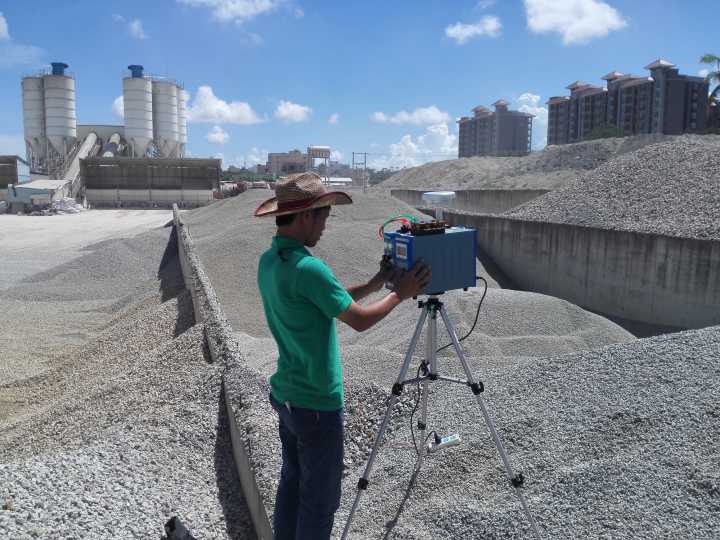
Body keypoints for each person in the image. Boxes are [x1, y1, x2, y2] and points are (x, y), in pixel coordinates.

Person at [255, 172, 430, 540]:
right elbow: (359, 321)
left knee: (292, 485)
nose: (324, 227)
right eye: (323, 217)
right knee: (319, 504)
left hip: (287, 396)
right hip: (316, 404)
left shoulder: (271, 262)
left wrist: (376, 283)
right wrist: (400, 293)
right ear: (306, 216)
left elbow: (325, 299)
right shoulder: (309, 268)